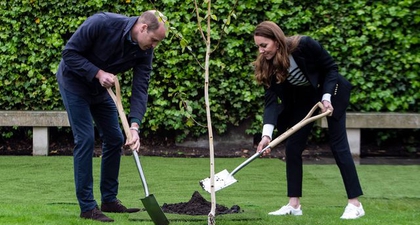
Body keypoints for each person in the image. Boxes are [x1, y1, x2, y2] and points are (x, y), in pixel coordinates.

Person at [56, 10, 167, 222]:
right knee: (86, 138)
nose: (154, 46)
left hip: (102, 91)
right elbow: (69, 53)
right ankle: (88, 207)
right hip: (74, 83)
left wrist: (134, 127)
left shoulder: (145, 51)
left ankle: (109, 200)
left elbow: (140, 88)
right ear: (143, 28)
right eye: (154, 40)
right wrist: (98, 73)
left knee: (115, 138)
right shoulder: (102, 23)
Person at [253, 21, 365, 219]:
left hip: (332, 93)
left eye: (264, 45)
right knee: (293, 148)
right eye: (258, 47)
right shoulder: (267, 65)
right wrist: (266, 135)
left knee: (338, 145)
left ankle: (355, 204)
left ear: (277, 41)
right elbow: (271, 103)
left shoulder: (305, 45)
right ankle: (294, 205)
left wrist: (326, 97)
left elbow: (331, 68)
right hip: (305, 100)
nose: (261, 51)